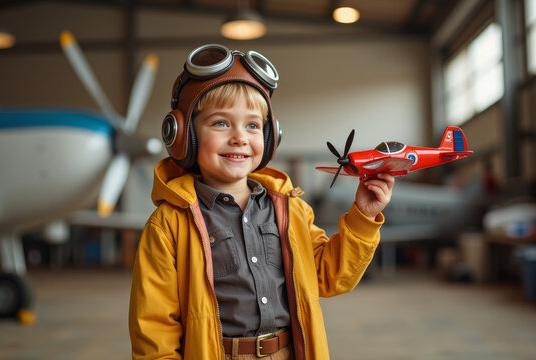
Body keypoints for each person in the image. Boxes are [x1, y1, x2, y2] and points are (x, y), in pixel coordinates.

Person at [129, 44, 395, 360]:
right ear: (186, 135)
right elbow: (154, 329)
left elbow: (329, 276)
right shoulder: (168, 225)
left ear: (270, 137)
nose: (240, 137)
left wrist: (363, 215)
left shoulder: (291, 209)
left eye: (253, 125)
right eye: (221, 123)